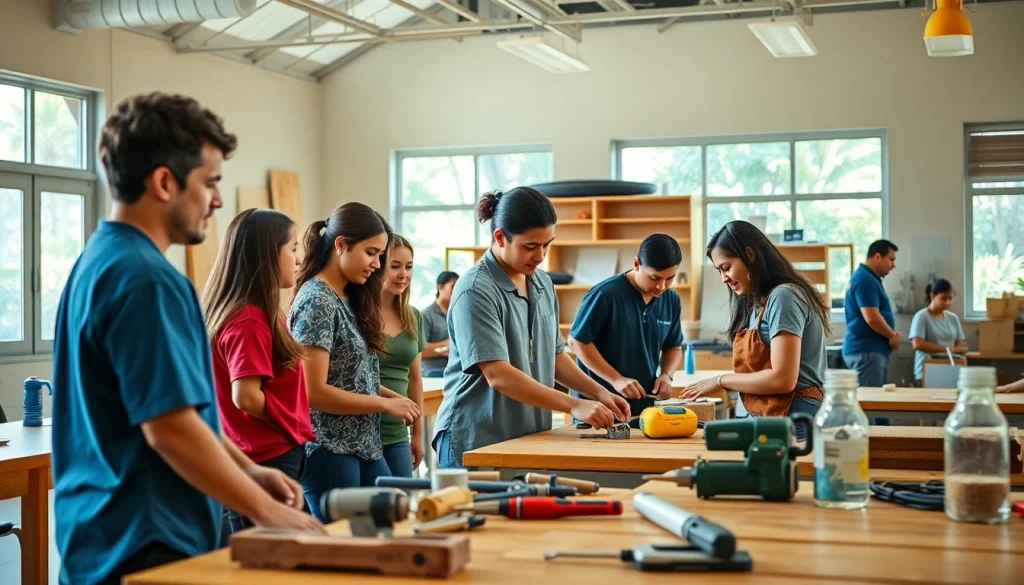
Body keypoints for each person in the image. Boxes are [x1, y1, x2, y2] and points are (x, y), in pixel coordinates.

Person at [52, 93, 322, 585]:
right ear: (163, 182)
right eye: (210, 184)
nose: (217, 201)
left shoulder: (95, 262)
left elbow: (182, 412)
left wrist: (246, 468)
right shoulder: (147, 279)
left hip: (101, 534)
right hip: (147, 534)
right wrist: (267, 511)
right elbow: (170, 429)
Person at [432, 187, 631, 469]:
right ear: (500, 237)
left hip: (525, 438)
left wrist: (598, 392)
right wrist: (574, 405)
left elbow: (554, 356)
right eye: (530, 246)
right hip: (475, 441)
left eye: (547, 244)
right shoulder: (475, 289)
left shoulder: (541, 282)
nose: (540, 256)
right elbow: (498, 375)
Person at [289, 202, 421, 520]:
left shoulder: (345, 297)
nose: (377, 264)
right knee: (345, 546)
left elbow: (351, 375)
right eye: (371, 253)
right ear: (341, 245)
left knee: (392, 519)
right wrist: (384, 404)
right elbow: (314, 392)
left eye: (380, 255)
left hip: (362, 443)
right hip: (329, 448)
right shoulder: (317, 301)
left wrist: (392, 396)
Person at [203, 208, 317, 532]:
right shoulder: (249, 319)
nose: (298, 259)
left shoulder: (255, 313)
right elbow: (246, 397)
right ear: (267, 256)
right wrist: (289, 424)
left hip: (266, 452)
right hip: (268, 454)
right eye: (292, 248)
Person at [682, 221, 830, 430]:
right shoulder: (758, 305)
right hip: (774, 414)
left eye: (727, 268)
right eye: (719, 271)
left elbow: (783, 380)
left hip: (795, 415)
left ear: (750, 255)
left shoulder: (784, 296)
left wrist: (722, 380)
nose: (724, 278)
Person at [567, 233, 685, 418]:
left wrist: (666, 375)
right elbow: (577, 342)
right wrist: (616, 379)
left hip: (643, 407)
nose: (662, 286)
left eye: (670, 278)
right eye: (655, 278)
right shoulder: (605, 295)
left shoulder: (671, 299)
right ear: (637, 265)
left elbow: (673, 346)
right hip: (598, 407)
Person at [379, 235, 427, 477]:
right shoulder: (358, 314)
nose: (403, 275)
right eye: (395, 266)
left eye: (408, 267)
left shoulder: (413, 316)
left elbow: (415, 379)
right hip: (363, 429)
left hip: (398, 431)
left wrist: (418, 434)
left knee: (402, 503)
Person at [842, 239, 900, 387]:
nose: (893, 265)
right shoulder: (864, 279)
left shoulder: (869, 278)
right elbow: (872, 317)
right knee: (870, 404)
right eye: (891, 260)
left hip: (869, 351)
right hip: (866, 352)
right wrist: (891, 335)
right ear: (877, 257)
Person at [908, 279, 968, 385]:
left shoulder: (953, 318)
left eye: (950, 298)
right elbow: (917, 344)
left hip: (950, 369)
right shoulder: (921, 317)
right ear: (932, 296)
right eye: (943, 298)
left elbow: (960, 343)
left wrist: (959, 348)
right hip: (926, 371)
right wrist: (948, 349)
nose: (947, 302)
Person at [421, 271, 458, 377]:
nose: (457, 291)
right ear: (441, 287)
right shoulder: (425, 315)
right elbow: (418, 351)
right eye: (453, 286)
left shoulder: (458, 313)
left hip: (454, 372)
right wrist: (447, 345)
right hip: (431, 373)